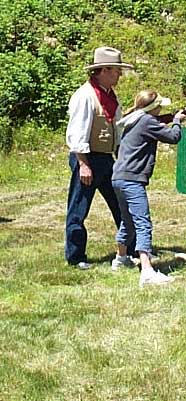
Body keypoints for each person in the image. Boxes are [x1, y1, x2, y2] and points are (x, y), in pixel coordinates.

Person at [65, 47, 134, 269]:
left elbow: (117, 127)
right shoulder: (85, 96)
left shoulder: (109, 95)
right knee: (79, 208)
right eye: (116, 70)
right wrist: (83, 164)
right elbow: (77, 132)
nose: (119, 75)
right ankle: (76, 256)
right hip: (88, 158)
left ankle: (129, 250)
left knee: (120, 204)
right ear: (103, 70)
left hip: (105, 159)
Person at [111, 90, 186, 286]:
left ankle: (121, 258)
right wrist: (177, 120)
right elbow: (173, 136)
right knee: (142, 223)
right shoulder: (146, 121)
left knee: (127, 221)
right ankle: (147, 270)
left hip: (119, 177)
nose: (161, 109)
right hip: (132, 179)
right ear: (153, 108)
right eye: (159, 106)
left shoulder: (134, 119)